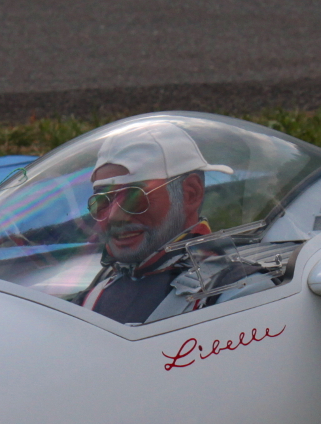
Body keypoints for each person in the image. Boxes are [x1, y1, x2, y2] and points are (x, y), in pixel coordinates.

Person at [74, 123, 234, 325]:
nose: (115, 216)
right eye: (102, 201)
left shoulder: (235, 292)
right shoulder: (95, 294)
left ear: (190, 193)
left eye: (133, 196)